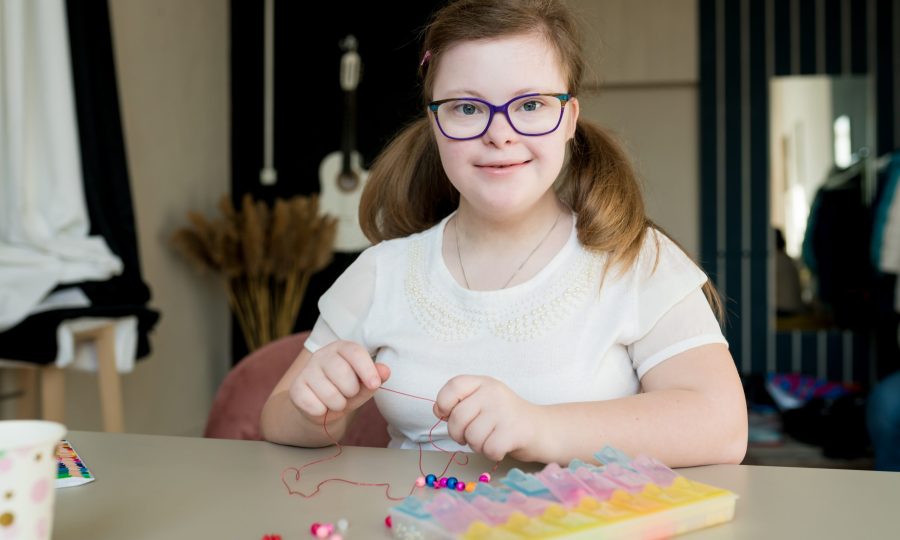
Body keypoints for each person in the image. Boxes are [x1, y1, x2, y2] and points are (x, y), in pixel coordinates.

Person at [260, 0, 747, 467]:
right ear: (435, 123)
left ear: (569, 121)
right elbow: (277, 419)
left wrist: (541, 428)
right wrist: (312, 409)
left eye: (531, 104)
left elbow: (723, 426)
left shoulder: (634, 258)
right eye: (467, 108)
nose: (500, 133)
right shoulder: (381, 272)